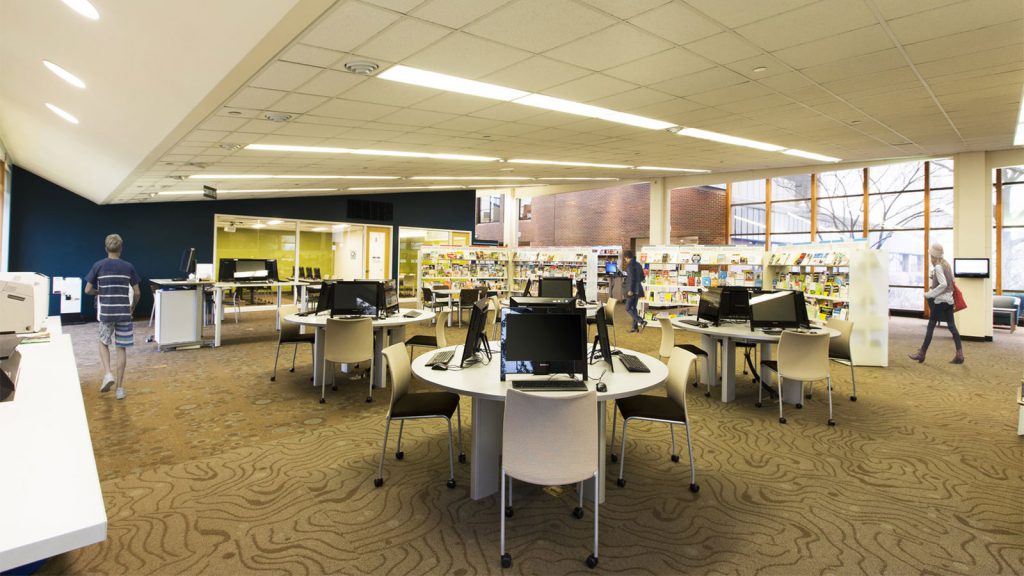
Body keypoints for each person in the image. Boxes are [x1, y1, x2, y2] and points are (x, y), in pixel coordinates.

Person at [85, 234, 141, 399]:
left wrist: (98, 292)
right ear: (121, 249)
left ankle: (108, 373)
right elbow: (137, 292)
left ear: (106, 248)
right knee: (121, 348)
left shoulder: (98, 266)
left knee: (103, 342)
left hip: (106, 313)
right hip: (124, 313)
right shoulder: (128, 266)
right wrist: (132, 308)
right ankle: (120, 389)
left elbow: (87, 290)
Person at [910, 243, 963, 364]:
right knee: (952, 327)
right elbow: (952, 282)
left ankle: (921, 354)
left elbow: (943, 284)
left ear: (933, 255)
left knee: (930, 326)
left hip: (940, 301)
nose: (930, 256)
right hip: (949, 300)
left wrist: (930, 294)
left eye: (930, 254)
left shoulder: (939, 267)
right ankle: (959, 354)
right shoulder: (947, 264)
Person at [622, 250, 646, 333]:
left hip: (632, 291)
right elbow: (643, 277)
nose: (625, 260)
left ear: (627, 257)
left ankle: (642, 321)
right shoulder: (638, 264)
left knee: (627, 308)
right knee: (634, 308)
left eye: (625, 259)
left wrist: (630, 290)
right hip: (638, 290)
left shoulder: (630, 266)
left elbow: (632, 279)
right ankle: (634, 328)